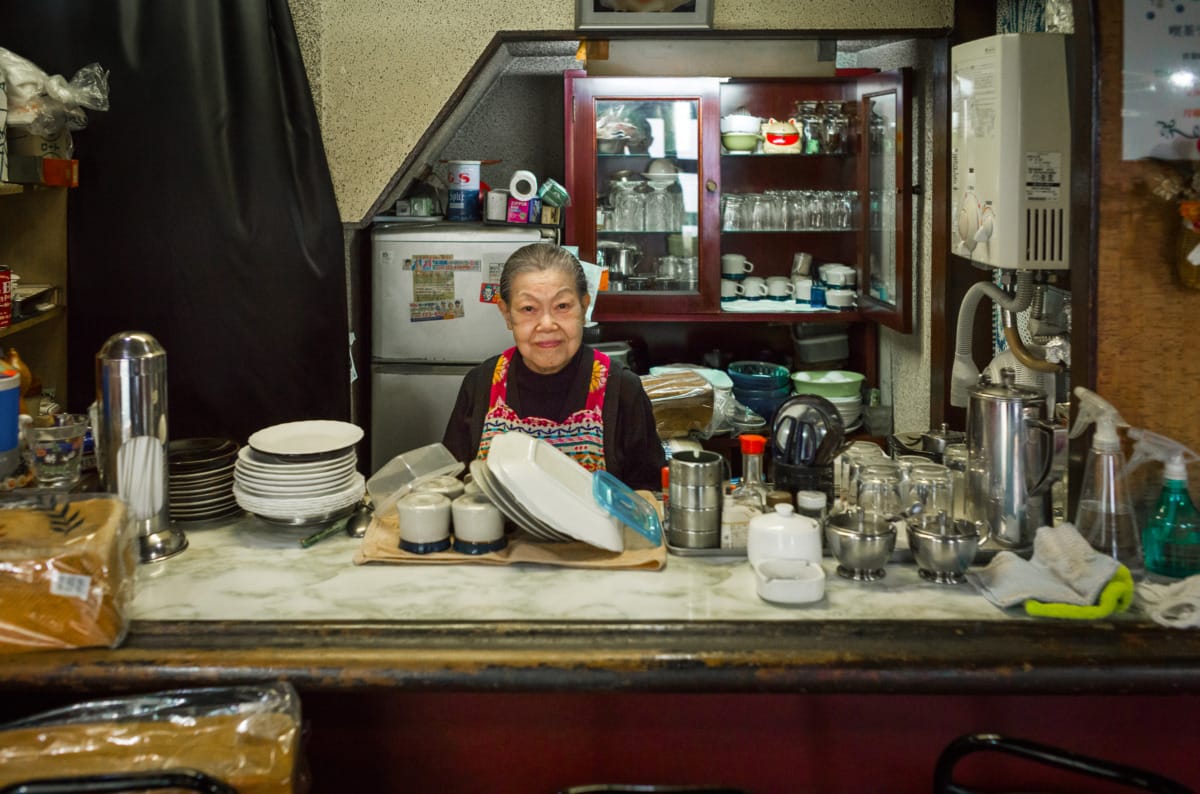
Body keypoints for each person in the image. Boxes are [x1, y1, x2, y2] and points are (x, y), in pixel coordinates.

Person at [442, 243, 665, 491]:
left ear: (584, 308)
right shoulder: (481, 383)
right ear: (507, 315)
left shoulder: (622, 388)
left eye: (562, 306)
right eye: (529, 309)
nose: (547, 324)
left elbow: (648, 499)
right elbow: (453, 487)